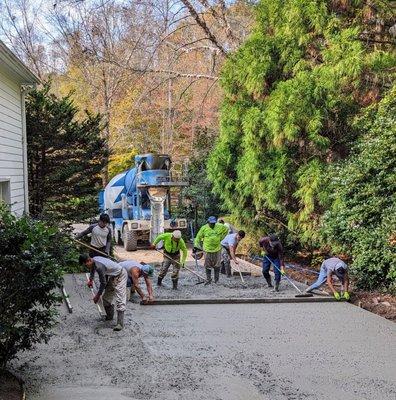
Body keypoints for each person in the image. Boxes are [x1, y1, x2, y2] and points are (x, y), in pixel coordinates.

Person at [79, 254, 127, 331]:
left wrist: (97, 296)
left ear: (89, 260)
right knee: (106, 299)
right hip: (113, 276)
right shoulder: (94, 259)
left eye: (86, 265)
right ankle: (109, 317)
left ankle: (120, 324)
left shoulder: (100, 267)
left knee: (120, 299)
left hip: (121, 275)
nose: (86, 267)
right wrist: (91, 279)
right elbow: (92, 268)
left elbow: (103, 283)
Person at [194, 216, 228, 284]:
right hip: (207, 249)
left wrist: (221, 238)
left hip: (217, 249)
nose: (213, 224)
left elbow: (226, 230)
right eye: (211, 223)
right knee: (207, 265)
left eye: (214, 223)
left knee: (217, 265)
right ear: (208, 222)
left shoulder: (220, 226)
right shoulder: (204, 228)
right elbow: (198, 237)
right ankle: (208, 279)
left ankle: (216, 280)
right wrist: (196, 246)